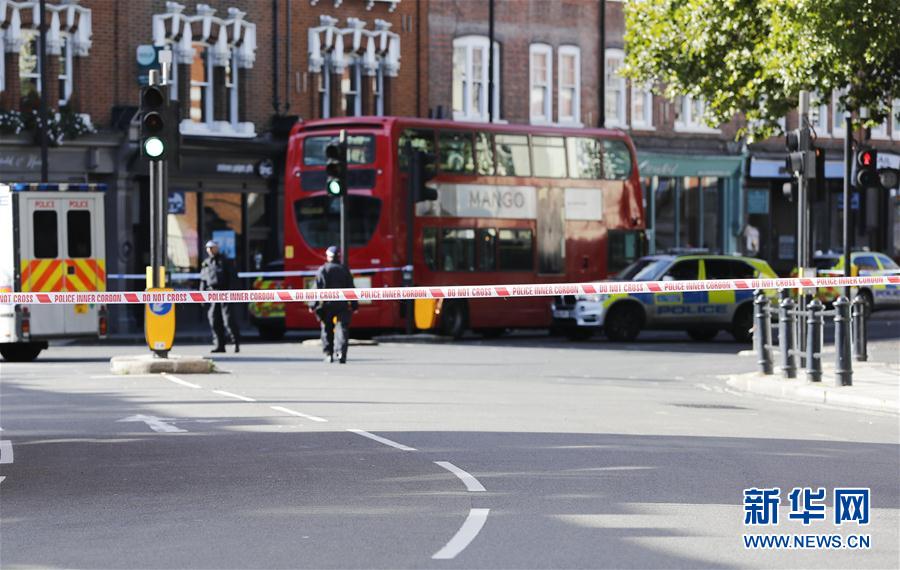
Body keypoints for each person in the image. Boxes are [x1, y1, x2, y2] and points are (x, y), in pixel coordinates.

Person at [310, 245, 357, 363]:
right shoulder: (344, 269)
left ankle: (329, 354)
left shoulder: (323, 270)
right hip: (342, 304)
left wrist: (313, 305)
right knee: (342, 329)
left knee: (326, 329)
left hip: (327, 304)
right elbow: (351, 288)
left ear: (328, 256)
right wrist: (354, 304)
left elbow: (317, 288)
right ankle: (341, 353)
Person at [200, 240, 240, 353]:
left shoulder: (225, 261)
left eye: (212, 248)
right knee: (214, 320)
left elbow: (233, 278)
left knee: (228, 320)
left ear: (217, 248)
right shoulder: (206, 263)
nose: (210, 250)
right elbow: (203, 281)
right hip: (212, 294)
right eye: (208, 248)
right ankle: (219, 345)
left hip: (225, 293)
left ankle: (235, 343)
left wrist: (232, 293)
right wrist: (201, 296)